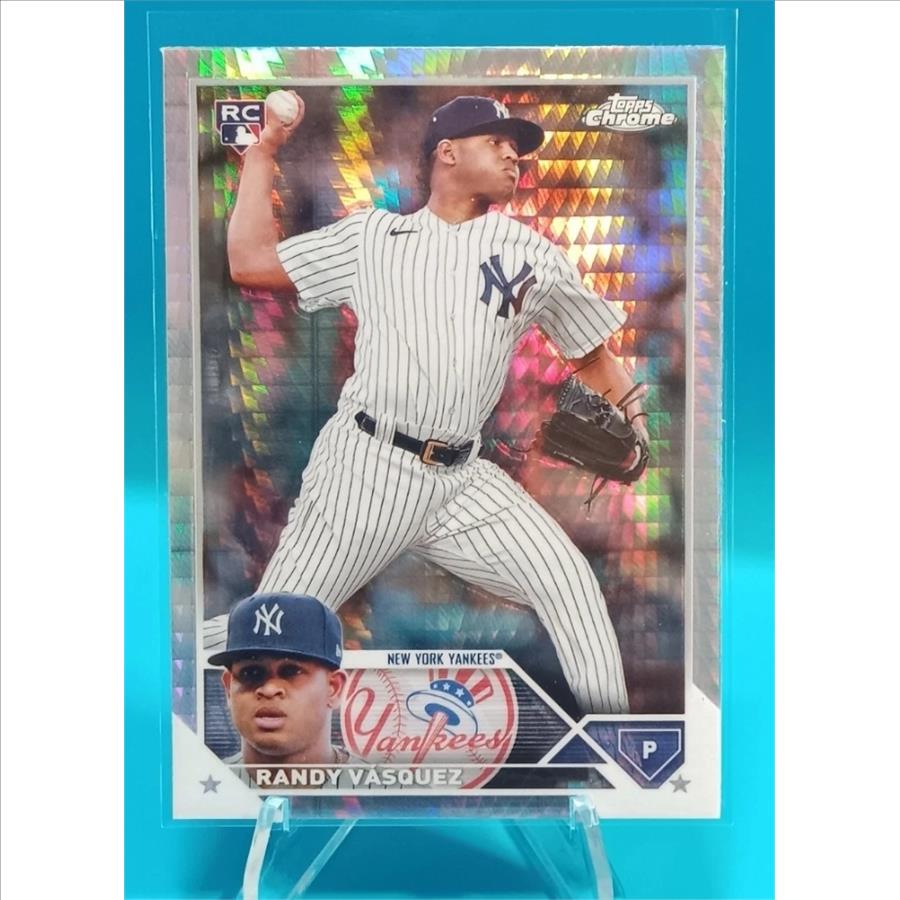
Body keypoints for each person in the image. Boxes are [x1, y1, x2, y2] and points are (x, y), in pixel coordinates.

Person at [225, 94, 649, 714]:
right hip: (368, 466)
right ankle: (197, 705)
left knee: (571, 586)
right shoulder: (375, 237)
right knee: (274, 630)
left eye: (517, 146)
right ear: (447, 153)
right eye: (496, 141)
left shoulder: (532, 253)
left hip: (462, 478)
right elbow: (250, 262)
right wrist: (263, 152)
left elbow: (592, 355)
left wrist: (637, 425)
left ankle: (613, 742)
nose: (513, 154)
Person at [209, 592, 356, 768]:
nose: (269, 689)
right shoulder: (200, 783)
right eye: (251, 672)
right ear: (228, 688)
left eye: (291, 671)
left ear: (334, 687)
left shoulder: (378, 782)